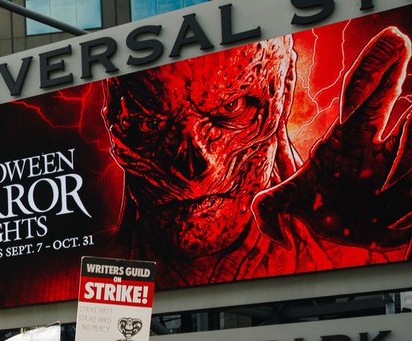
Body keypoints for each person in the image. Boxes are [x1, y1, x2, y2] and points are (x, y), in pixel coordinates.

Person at [106, 33, 411, 289]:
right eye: (149, 124)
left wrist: (355, 250)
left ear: (284, 89)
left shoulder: (341, 238)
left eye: (232, 107)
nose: (196, 166)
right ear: (113, 126)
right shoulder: (81, 271)